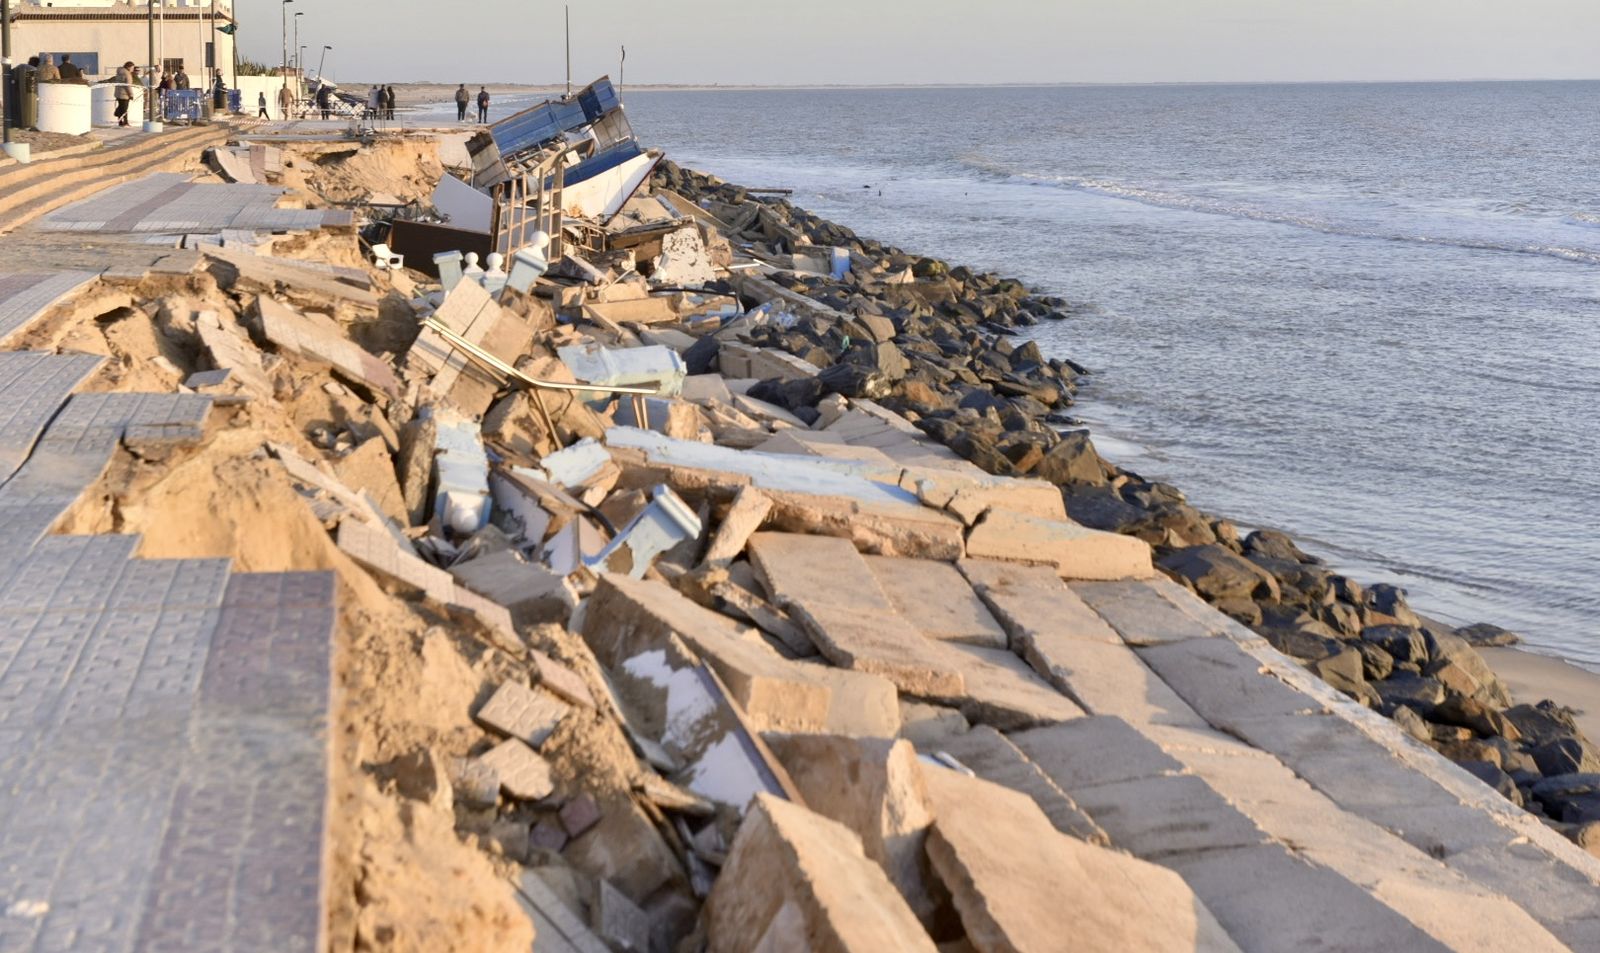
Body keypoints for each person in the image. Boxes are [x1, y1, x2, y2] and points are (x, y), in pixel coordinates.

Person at [114, 61, 135, 127]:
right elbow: (128, 85)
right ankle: (125, 122)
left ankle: (120, 122)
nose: (133, 69)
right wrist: (131, 95)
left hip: (118, 93)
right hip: (124, 94)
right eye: (132, 67)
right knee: (125, 109)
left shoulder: (119, 72)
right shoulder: (127, 74)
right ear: (128, 67)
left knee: (121, 107)